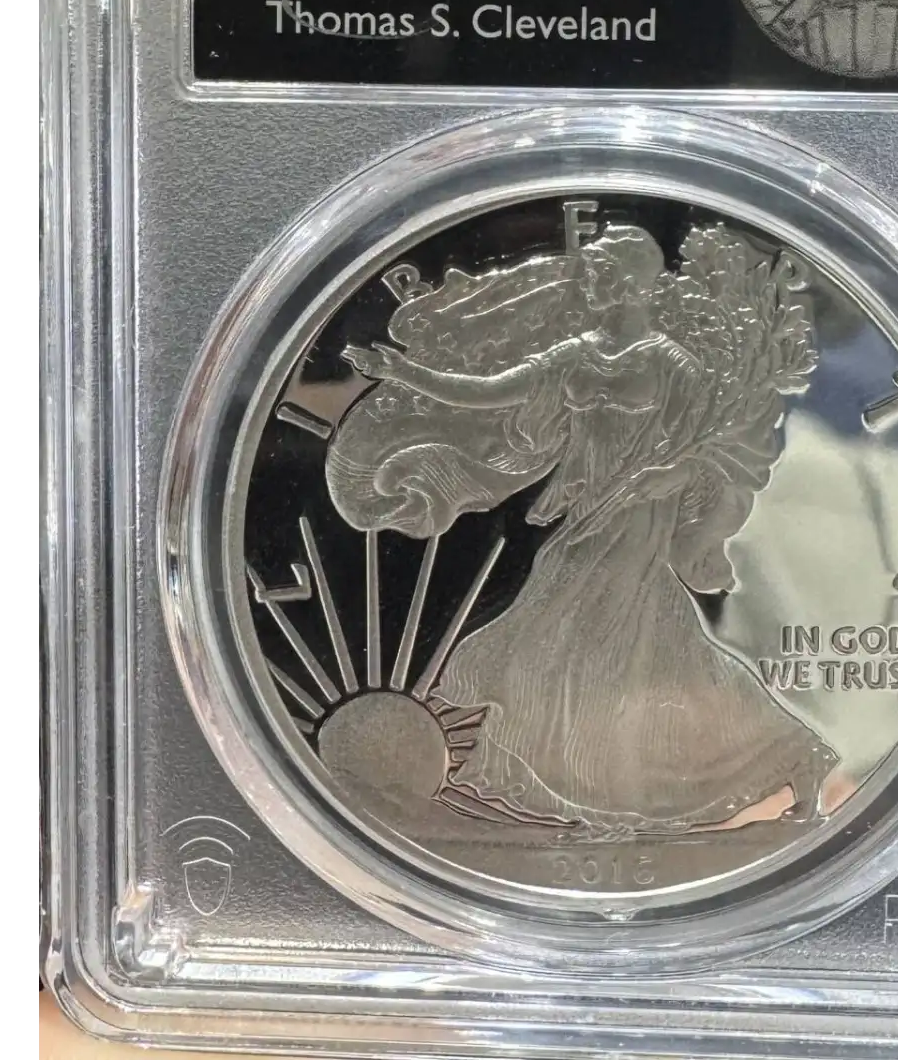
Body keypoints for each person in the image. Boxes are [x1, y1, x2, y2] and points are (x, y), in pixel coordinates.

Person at [346, 225, 838, 834]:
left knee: (571, 634)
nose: (589, 282)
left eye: (601, 273)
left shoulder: (673, 365)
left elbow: (707, 449)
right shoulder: (575, 355)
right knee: (639, 647)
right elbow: (491, 392)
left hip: (639, 515)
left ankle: (632, 784)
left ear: (631, 284)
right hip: (588, 511)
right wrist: (402, 372)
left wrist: (672, 474)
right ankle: (775, 759)